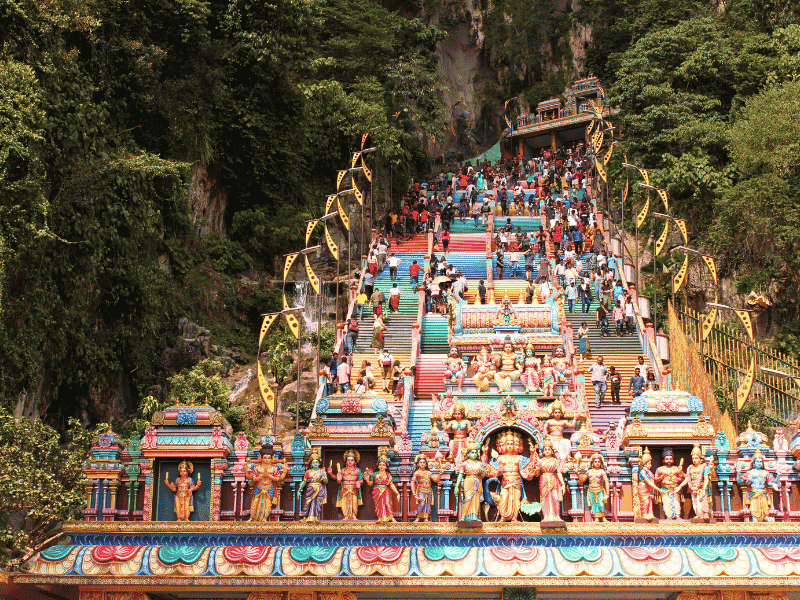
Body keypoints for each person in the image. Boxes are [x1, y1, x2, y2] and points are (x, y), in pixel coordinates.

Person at [363, 452, 400, 523]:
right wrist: (367, 479)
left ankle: (391, 518)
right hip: (377, 491)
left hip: (386, 490)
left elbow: (391, 484)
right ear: (378, 466)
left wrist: (397, 493)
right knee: (379, 504)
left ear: (386, 466)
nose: (382, 467)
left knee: (388, 503)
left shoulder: (388, 475)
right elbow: (371, 484)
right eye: (380, 465)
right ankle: (380, 517)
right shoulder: (375, 474)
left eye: (383, 465)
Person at [327, 449, 364, 520]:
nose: (350, 462)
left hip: (354, 488)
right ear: (346, 461)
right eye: (348, 460)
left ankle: (354, 515)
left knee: (354, 502)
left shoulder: (358, 470)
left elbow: (361, 479)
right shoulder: (342, 470)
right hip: (344, 488)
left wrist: (359, 482)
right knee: (344, 501)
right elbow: (336, 478)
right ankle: (346, 516)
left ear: (355, 461)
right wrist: (331, 474)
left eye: (352, 460)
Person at [297, 449, 328, 522]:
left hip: (319, 489)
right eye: (313, 462)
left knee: (317, 504)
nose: (315, 464)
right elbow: (304, 482)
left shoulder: (322, 471)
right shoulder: (308, 472)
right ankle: (306, 517)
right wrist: (299, 490)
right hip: (310, 489)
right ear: (311, 464)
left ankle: (316, 518)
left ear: (319, 463)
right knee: (308, 503)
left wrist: (324, 478)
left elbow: (326, 482)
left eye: (317, 462)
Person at [411, 454, 441, 522]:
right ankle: (418, 517)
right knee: (421, 504)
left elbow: (436, 480)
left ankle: (426, 518)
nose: (422, 464)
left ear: (426, 464)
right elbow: (412, 482)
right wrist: (414, 494)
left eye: (424, 462)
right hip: (421, 490)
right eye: (420, 462)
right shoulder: (417, 473)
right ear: (418, 464)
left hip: (429, 490)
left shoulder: (428, 473)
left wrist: (440, 474)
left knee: (428, 504)